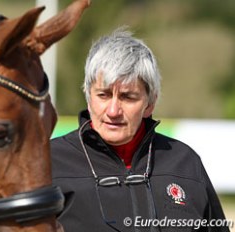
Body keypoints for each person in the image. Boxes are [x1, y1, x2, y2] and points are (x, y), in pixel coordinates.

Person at [51, 28, 230, 232]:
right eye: (103, 95)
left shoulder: (185, 163)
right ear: (88, 96)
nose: (113, 111)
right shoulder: (50, 164)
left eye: (128, 97)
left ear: (150, 103)